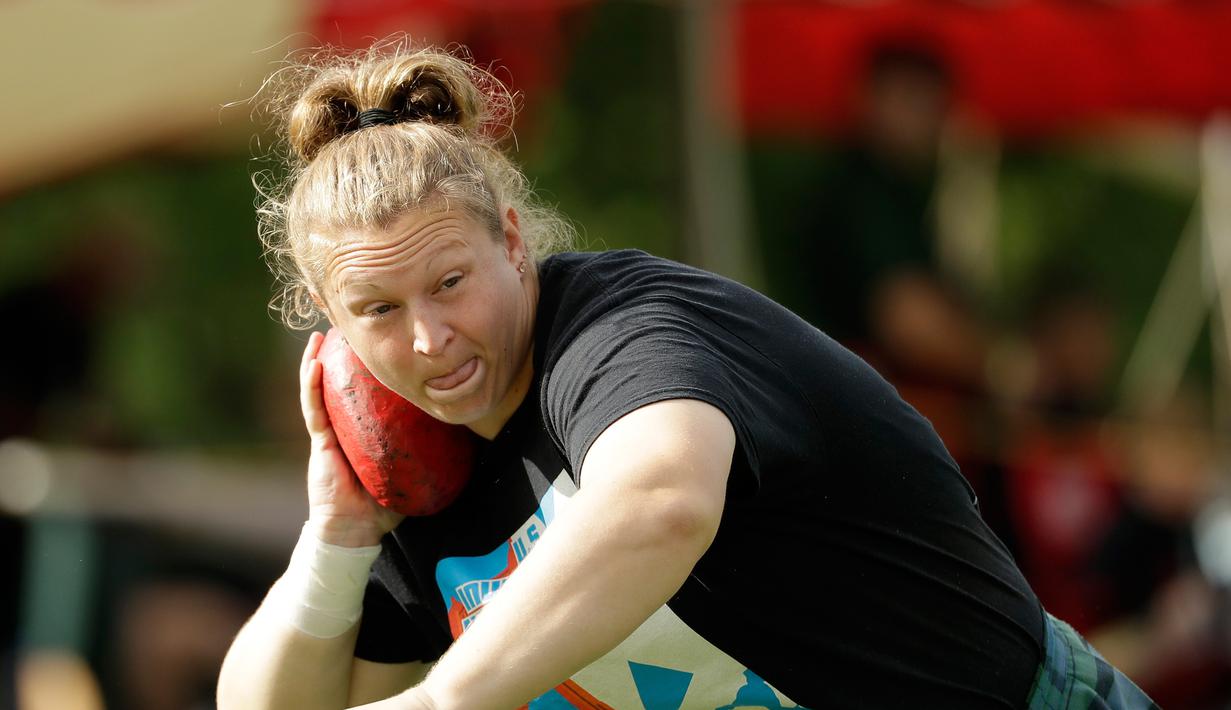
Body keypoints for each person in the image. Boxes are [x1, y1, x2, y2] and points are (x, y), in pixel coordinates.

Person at [217, 42, 1158, 709]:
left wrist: (447, 701)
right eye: (377, 311)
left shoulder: (625, 326)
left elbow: (661, 499)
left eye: (450, 282)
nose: (426, 340)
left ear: (511, 241)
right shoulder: (418, 477)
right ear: (330, 325)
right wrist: (338, 539)